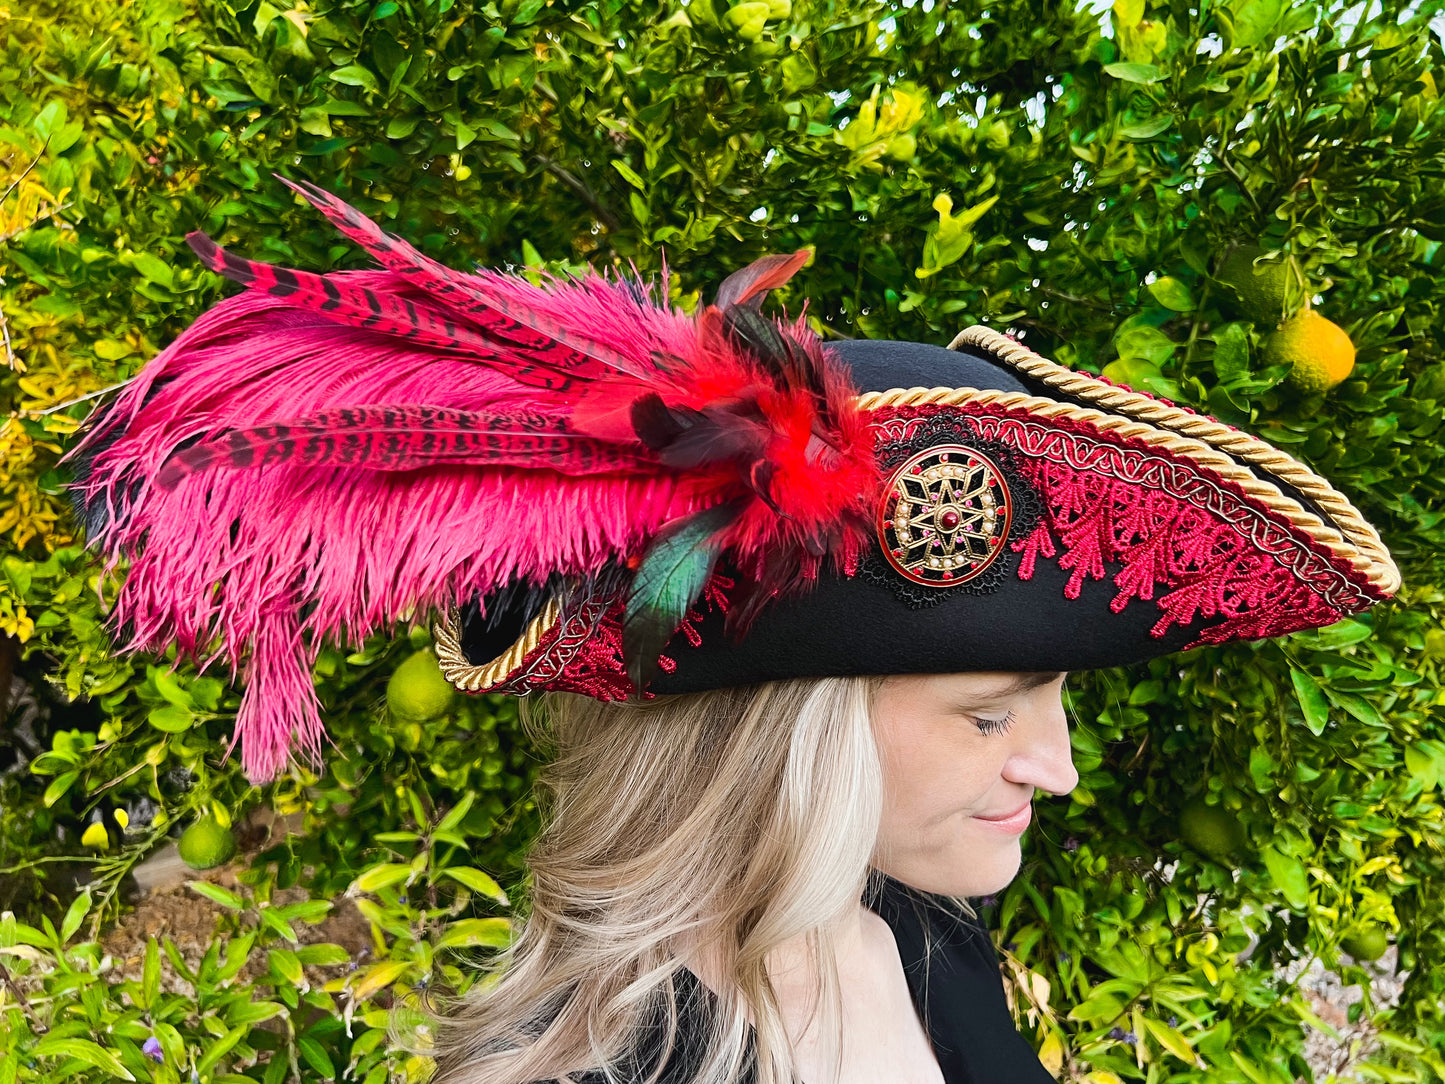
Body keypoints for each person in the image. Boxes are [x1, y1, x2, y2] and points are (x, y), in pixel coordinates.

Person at [67, 183, 1399, 1084]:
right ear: (781, 745)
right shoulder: (604, 1063)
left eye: (1042, 703)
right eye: (988, 714)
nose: (1052, 767)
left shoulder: (919, 942)